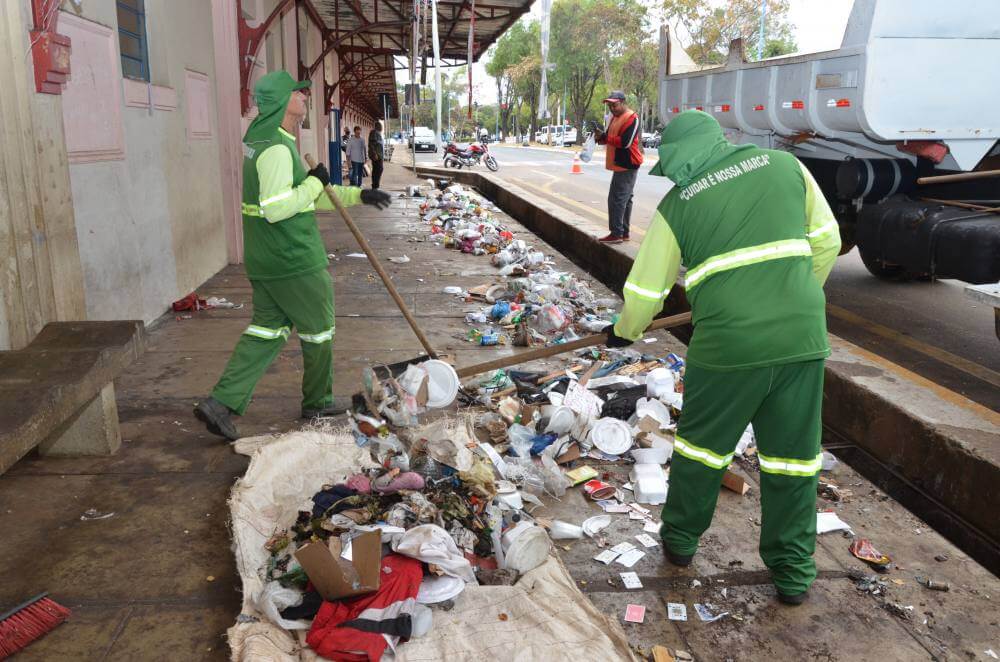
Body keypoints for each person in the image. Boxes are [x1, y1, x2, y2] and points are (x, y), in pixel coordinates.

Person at [605, 110, 841, 605]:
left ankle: (681, 542)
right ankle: (794, 574)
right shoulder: (785, 166)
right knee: (794, 462)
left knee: (701, 451)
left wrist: (624, 333)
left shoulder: (678, 204)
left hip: (728, 347)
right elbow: (828, 241)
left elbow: (647, 291)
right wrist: (791, 299)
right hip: (802, 341)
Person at [193, 71, 391, 441]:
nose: (304, 97)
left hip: (267, 259)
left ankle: (221, 403)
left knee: (266, 332)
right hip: (292, 258)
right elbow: (277, 207)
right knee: (319, 332)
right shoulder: (276, 149)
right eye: (298, 93)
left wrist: (357, 195)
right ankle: (317, 400)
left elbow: (306, 196)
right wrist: (317, 179)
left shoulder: (267, 139)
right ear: (282, 102)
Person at [594, 91, 643, 244]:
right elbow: (609, 138)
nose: (612, 108)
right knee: (625, 199)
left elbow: (625, 142)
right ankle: (624, 232)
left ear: (623, 102)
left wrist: (605, 137)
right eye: (609, 106)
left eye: (614, 105)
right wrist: (600, 137)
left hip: (627, 163)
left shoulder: (631, 118)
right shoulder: (614, 118)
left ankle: (616, 234)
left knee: (616, 199)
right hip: (619, 164)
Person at [368, 121, 384, 190]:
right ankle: (375, 185)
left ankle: (375, 185)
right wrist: (374, 154)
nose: (382, 127)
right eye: (381, 126)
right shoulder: (374, 133)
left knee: (377, 169)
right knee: (378, 169)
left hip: (379, 155)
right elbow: (371, 144)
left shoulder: (378, 133)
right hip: (376, 156)